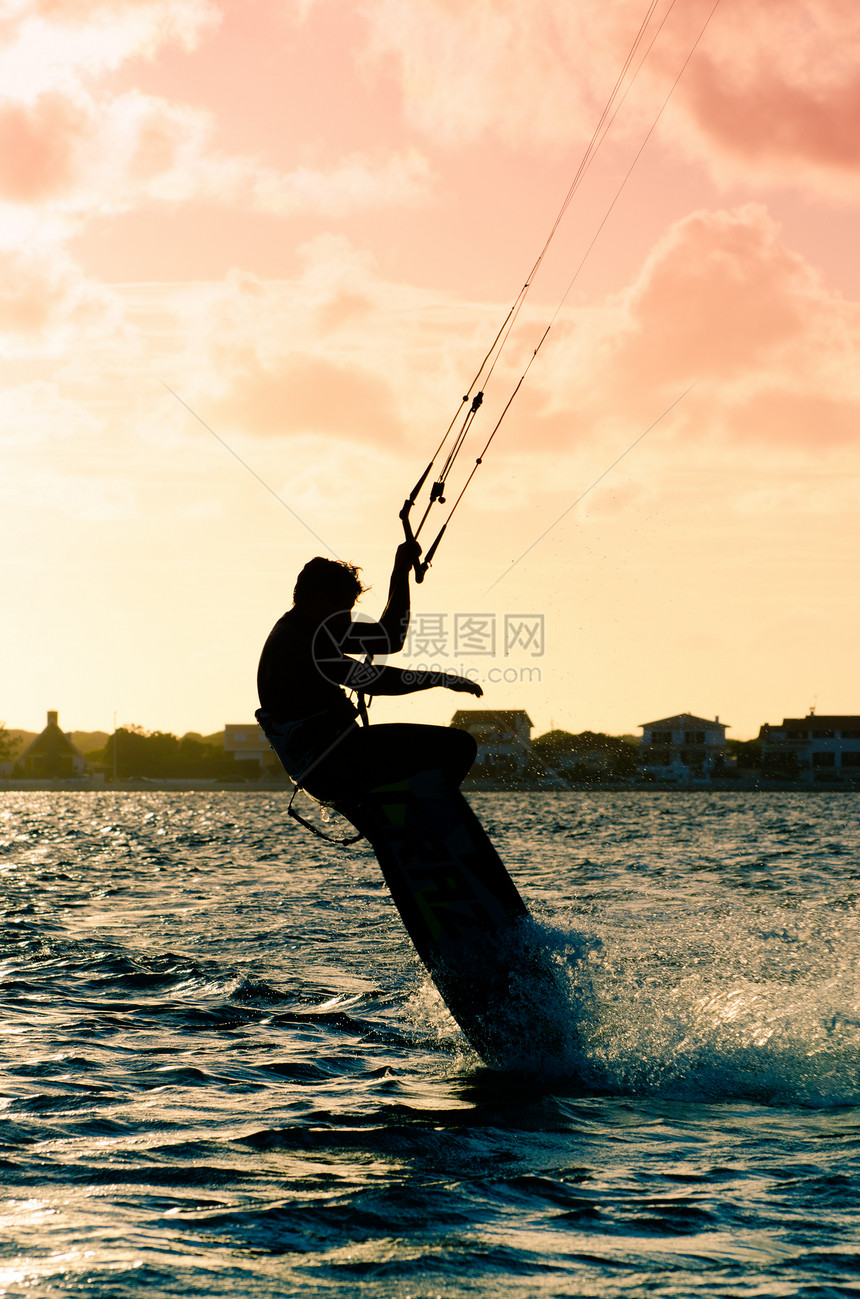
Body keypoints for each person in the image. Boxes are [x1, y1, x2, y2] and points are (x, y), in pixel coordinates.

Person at [256, 540, 483, 802]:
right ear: (319, 598)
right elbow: (371, 681)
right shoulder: (300, 639)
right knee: (458, 746)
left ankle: (406, 816)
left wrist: (401, 571)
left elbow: (389, 638)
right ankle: (422, 818)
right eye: (345, 607)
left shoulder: (308, 626)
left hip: (328, 765)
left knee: (440, 752)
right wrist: (439, 679)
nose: (348, 618)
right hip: (334, 765)